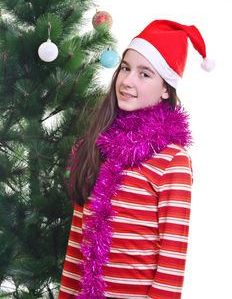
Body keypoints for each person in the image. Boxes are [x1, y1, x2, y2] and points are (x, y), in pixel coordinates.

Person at [58, 19, 214, 299]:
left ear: (166, 89)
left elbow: (172, 259)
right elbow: (76, 247)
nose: (127, 81)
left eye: (145, 74)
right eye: (126, 68)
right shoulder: (93, 146)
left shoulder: (172, 160)